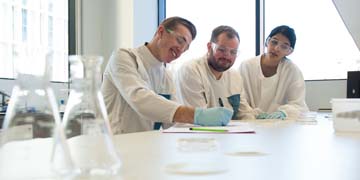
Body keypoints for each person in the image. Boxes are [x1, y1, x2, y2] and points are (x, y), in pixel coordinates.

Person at [101, 17, 233, 134]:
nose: (181, 50)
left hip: (143, 147)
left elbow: (174, 123)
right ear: (161, 32)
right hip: (115, 147)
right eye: (180, 41)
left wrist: (208, 131)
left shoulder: (167, 76)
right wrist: (198, 115)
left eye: (186, 48)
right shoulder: (124, 57)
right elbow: (140, 99)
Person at [174, 25, 256, 120]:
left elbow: (245, 113)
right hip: (196, 133)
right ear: (209, 47)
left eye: (233, 52)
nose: (227, 56)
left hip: (228, 133)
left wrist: (253, 126)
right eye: (221, 50)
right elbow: (200, 119)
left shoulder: (235, 76)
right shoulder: (191, 71)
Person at [239, 25, 309, 120]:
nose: (276, 48)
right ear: (267, 42)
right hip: (249, 122)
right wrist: (250, 114)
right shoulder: (246, 66)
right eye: (274, 42)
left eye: (284, 46)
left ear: (289, 51)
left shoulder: (292, 71)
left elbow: (298, 105)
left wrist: (284, 113)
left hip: (279, 126)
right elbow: (240, 99)